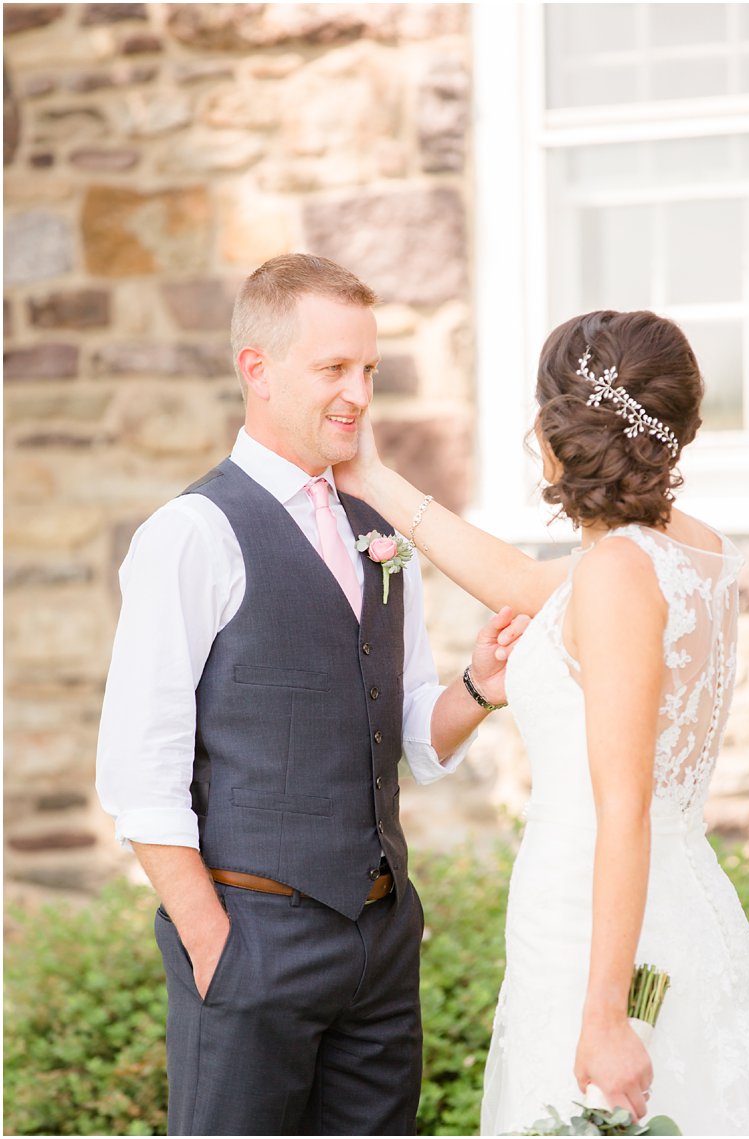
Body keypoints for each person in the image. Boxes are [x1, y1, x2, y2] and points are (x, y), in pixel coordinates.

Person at [96, 253, 529, 1135]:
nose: (359, 395)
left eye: (368, 370)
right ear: (257, 368)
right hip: (253, 941)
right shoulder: (193, 534)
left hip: (380, 944)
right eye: (334, 368)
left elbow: (407, 727)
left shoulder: (379, 525)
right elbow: (141, 770)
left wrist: (481, 686)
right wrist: (214, 946)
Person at [334, 308, 749, 1135]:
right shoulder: (690, 550)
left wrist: (604, 1014)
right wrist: (375, 480)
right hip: (674, 898)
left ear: (555, 424)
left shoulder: (615, 574)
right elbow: (522, 581)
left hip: (599, 932)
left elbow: (622, 809)